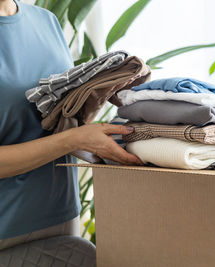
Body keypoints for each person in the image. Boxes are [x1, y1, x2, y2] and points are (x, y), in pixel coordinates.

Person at [0, 0, 142, 249]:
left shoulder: (45, 21)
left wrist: (93, 99)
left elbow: (55, 119)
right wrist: (74, 139)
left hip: (61, 214)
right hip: (7, 226)